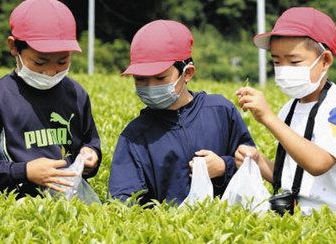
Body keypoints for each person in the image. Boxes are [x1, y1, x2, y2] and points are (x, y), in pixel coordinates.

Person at [235, 7, 336, 221]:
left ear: (325, 60)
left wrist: (268, 118)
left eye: (294, 61)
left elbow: (318, 164)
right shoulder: (289, 109)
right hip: (301, 219)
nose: (283, 69)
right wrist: (258, 162)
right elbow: (292, 179)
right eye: (277, 61)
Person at [0, 0, 101, 197]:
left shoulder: (77, 95)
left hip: (73, 204)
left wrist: (91, 156)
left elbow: (89, 142)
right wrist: (24, 172)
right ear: (14, 47)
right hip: (17, 210)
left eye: (62, 61)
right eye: (40, 62)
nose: (51, 71)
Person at [108, 20, 255, 205]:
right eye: (141, 79)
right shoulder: (135, 136)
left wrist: (223, 167)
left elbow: (252, 166)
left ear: (187, 73)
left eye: (160, 77)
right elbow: (123, 202)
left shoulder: (220, 111)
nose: (151, 86)